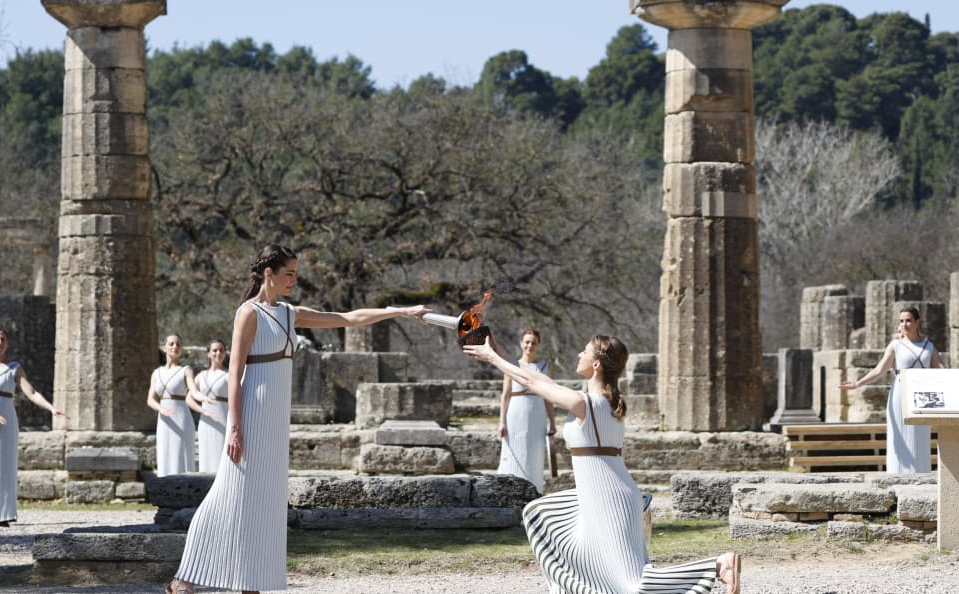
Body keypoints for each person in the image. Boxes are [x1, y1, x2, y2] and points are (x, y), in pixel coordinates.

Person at [167, 244, 430, 594]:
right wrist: (235, 425)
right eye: (288, 273)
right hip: (253, 411)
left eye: (296, 274)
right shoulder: (249, 313)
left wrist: (400, 311)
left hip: (277, 418)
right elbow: (234, 373)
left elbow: (348, 317)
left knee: (266, 497)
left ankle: (252, 581)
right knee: (228, 492)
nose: (294, 280)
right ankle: (184, 578)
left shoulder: (291, 314)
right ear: (269, 274)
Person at [463, 333, 741, 594]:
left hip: (609, 502)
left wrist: (493, 359)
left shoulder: (586, 403)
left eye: (584, 351)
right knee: (538, 513)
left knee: (634, 584)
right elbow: (534, 378)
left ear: (595, 364)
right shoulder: (603, 401)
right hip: (605, 497)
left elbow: (532, 383)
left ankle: (718, 565)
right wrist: (494, 351)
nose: (578, 355)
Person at [0, 328, 64, 527]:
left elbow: (32, 392)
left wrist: (51, 408)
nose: (0, 343)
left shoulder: (14, 368)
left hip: (7, 417)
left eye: (3, 339)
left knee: (4, 465)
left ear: (6, 343)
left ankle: (3, 514)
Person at [839, 306, 945, 474]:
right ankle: (897, 475)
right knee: (899, 437)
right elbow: (879, 370)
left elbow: (942, 371)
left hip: (921, 398)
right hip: (899, 395)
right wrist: (858, 383)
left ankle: (920, 476)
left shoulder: (928, 346)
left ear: (917, 322)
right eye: (902, 321)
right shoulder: (895, 345)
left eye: (909, 320)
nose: (905, 324)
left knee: (920, 438)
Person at [496, 327, 556, 493]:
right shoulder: (512, 365)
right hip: (516, 412)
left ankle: (533, 491)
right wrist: (501, 422)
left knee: (534, 454)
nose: (530, 345)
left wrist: (552, 422)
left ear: (538, 345)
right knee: (513, 450)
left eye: (533, 343)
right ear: (521, 343)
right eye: (527, 342)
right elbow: (505, 395)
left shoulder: (544, 367)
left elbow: (549, 398)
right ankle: (507, 491)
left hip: (537, 413)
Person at [147, 334, 204, 476]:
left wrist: (203, 398)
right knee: (165, 454)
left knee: (182, 454)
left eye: (178, 344)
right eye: (171, 344)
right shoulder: (156, 373)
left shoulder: (186, 370)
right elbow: (150, 399)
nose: (175, 347)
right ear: (164, 348)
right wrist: (161, 408)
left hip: (182, 417)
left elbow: (194, 391)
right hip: (164, 420)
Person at [192, 340, 228, 473]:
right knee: (206, 457)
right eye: (214, 350)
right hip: (205, 422)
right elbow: (189, 398)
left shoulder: (229, 375)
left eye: (221, 350)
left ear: (225, 353)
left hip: (223, 419)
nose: (218, 353)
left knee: (221, 457)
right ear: (208, 354)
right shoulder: (201, 376)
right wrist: (203, 411)